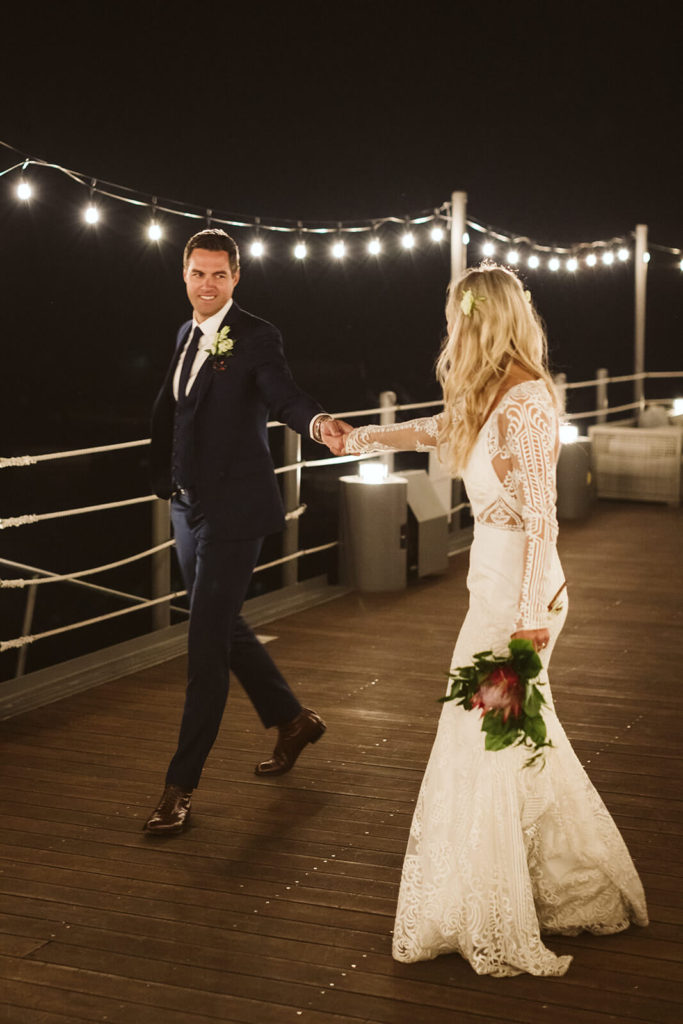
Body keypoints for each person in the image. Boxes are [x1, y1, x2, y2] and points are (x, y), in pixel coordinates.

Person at [341, 263, 648, 977]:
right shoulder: (485, 394)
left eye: (454, 316)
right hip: (492, 589)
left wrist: (526, 623)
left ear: (478, 319)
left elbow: (542, 520)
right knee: (506, 740)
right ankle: (557, 879)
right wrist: (360, 438)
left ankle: (490, 903)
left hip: (521, 602)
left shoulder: (529, 400)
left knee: (482, 737)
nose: (447, 328)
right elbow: (435, 429)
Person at [145, 228, 351, 835]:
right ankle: (293, 720)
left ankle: (179, 787)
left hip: (236, 512)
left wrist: (316, 422)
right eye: (197, 274)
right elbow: (177, 411)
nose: (207, 285)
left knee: (204, 645)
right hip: (188, 506)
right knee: (222, 623)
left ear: (237, 279)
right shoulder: (185, 334)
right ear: (183, 276)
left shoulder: (257, 335)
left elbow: (281, 394)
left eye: (219, 275)